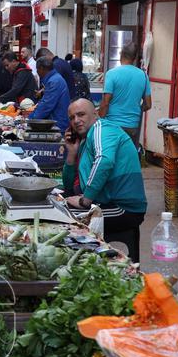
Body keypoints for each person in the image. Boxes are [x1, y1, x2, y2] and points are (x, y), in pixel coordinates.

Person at [63, 99, 147, 262]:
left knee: (69, 223)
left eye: (81, 114)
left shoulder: (102, 129)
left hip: (124, 208)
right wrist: (72, 153)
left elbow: (104, 160)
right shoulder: (85, 141)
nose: (76, 121)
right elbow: (70, 187)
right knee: (62, 212)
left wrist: (85, 200)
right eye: (72, 117)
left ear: (95, 113)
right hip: (105, 202)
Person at [99, 44, 152, 147]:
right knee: (127, 157)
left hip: (112, 125)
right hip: (133, 126)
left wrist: (99, 120)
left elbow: (106, 103)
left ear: (121, 55)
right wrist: (135, 109)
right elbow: (148, 104)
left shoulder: (111, 74)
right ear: (135, 58)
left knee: (111, 155)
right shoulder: (144, 76)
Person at [31, 56, 71, 131]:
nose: (37, 72)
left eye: (37, 69)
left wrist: (31, 120)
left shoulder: (54, 81)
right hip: (57, 122)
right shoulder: (54, 79)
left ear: (42, 68)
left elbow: (46, 105)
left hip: (58, 124)